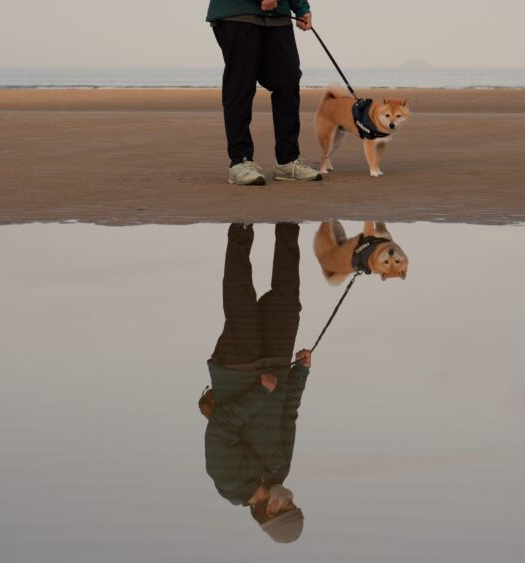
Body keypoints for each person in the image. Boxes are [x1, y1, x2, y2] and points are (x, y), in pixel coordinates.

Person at [201, 223, 311, 543]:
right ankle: (288, 220)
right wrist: (300, 373)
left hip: (237, 367)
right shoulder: (281, 470)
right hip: (277, 367)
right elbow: (288, 413)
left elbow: (222, 425)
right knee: (288, 298)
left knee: (241, 296)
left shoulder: (228, 482)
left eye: (288, 505)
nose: (290, 497)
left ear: (271, 511)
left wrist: (261, 392)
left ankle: (242, 224)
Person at [206, 0, 324, 185]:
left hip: (278, 16)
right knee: (241, 86)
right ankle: (240, 162)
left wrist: (301, 7)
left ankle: (288, 161)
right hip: (237, 13)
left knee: (288, 80)